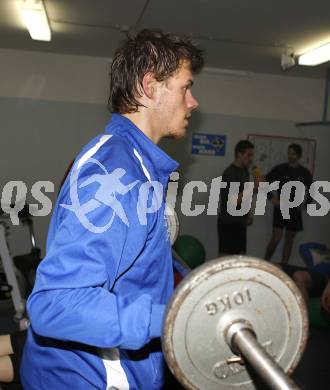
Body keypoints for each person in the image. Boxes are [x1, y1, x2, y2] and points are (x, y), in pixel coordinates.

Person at [20, 29, 204, 389]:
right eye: (186, 87)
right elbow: (56, 303)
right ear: (151, 86)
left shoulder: (137, 164)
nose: (193, 101)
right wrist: (175, 320)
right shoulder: (116, 170)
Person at [264, 144, 313, 265]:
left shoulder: (304, 172)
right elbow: (264, 183)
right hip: (281, 208)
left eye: (294, 154)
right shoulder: (280, 169)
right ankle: (265, 263)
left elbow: (312, 190)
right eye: (289, 153)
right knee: (276, 238)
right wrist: (272, 198)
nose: (291, 156)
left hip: (295, 210)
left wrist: (305, 205)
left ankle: (284, 267)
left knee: (289, 240)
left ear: (299, 156)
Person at [218, 140, 256, 255]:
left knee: (240, 258)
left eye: (252, 155)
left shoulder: (245, 171)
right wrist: (253, 187)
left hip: (240, 222)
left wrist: (248, 212)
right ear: (239, 154)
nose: (251, 158)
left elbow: (244, 195)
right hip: (228, 222)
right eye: (249, 155)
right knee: (226, 260)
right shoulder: (229, 173)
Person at [281, 242, 330, 312]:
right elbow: (303, 247)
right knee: (276, 267)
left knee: (299, 275)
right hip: (309, 272)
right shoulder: (321, 257)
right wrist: (325, 246)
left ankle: (303, 316)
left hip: (323, 278)